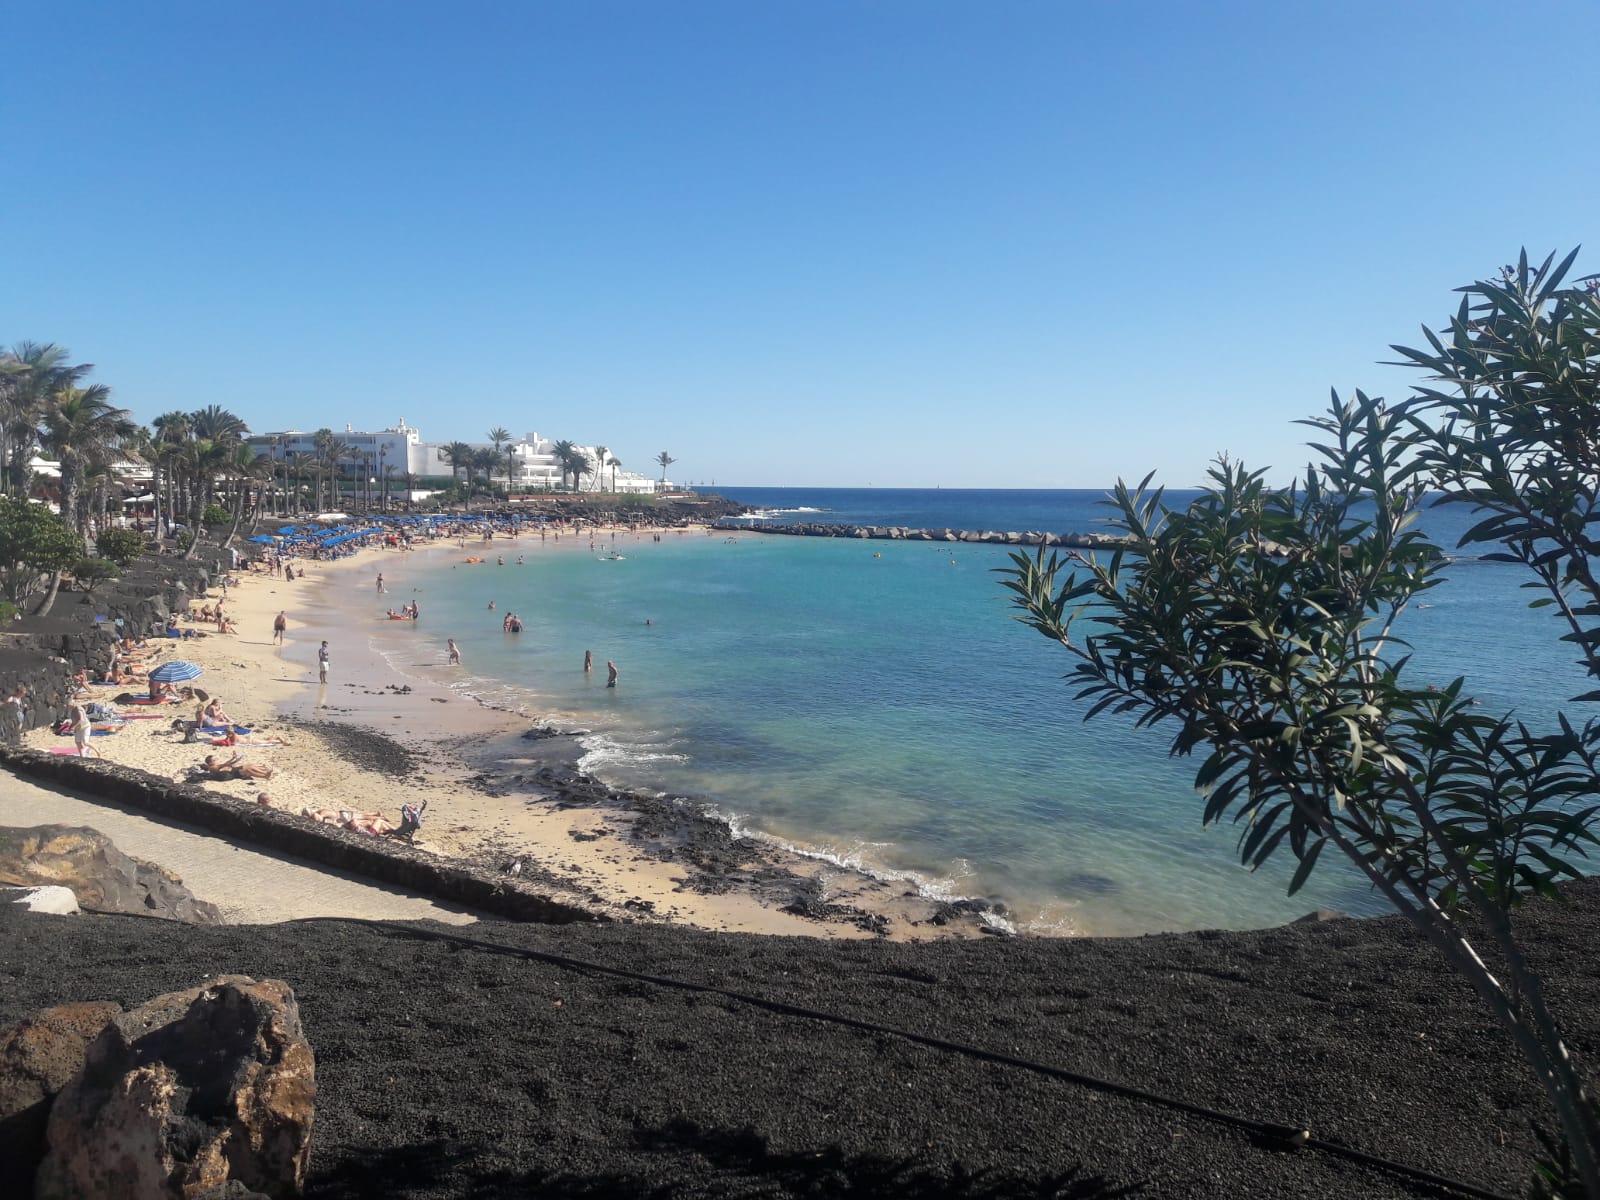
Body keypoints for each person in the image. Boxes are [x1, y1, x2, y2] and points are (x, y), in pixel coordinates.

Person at [202, 752, 273, 780]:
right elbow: (225, 764)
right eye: (215, 759)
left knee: (249, 765)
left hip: (231, 771)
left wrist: (234, 759)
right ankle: (264, 776)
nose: (217, 760)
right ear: (211, 762)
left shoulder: (216, 765)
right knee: (248, 770)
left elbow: (226, 764)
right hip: (230, 774)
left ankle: (264, 772)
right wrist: (234, 759)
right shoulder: (212, 767)